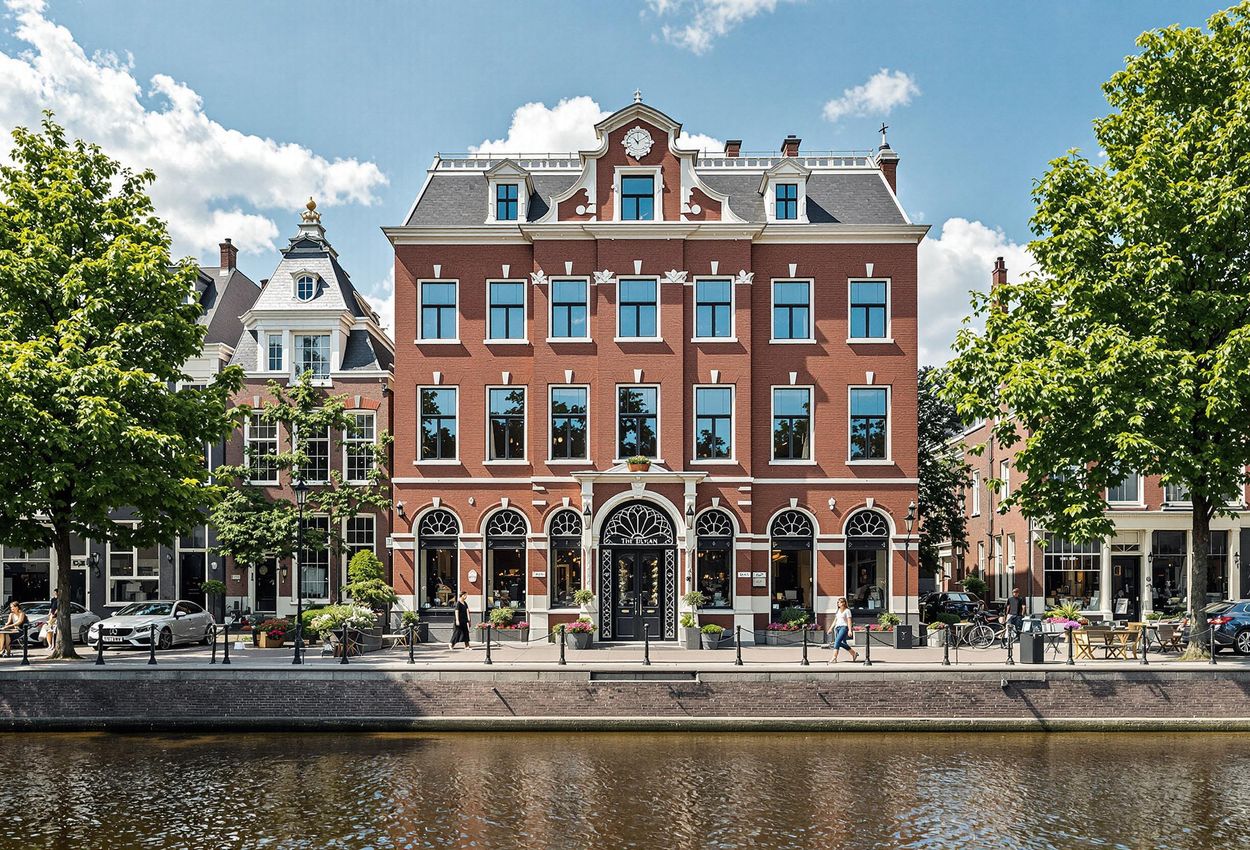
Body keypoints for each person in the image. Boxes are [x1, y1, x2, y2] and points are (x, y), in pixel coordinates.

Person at [828, 597, 860, 663]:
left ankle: (834, 657)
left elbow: (849, 621)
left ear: (844, 603)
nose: (838, 604)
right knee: (840, 643)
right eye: (838, 602)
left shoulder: (847, 611)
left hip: (844, 628)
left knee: (837, 642)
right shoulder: (838, 610)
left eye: (839, 602)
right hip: (837, 628)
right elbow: (835, 620)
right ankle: (854, 653)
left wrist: (850, 630)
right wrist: (830, 628)